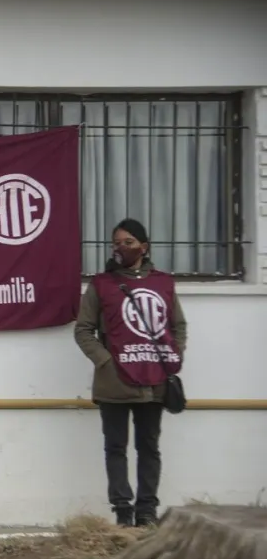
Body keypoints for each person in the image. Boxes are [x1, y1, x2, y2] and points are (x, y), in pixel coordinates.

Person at [74, 218, 187, 528]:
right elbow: (83, 330)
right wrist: (105, 361)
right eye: (117, 243)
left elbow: (177, 325)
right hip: (115, 382)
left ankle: (147, 510)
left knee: (149, 447)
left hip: (154, 379)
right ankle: (123, 511)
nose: (120, 248)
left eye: (128, 242)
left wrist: (174, 354)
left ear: (143, 246)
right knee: (116, 447)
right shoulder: (101, 284)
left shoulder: (163, 283)